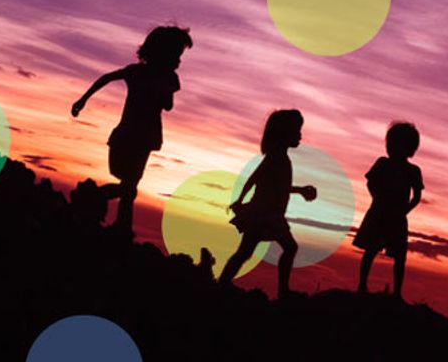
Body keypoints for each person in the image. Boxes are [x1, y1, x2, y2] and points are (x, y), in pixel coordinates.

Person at [71, 25, 193, 234]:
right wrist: (82, 100)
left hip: (138, 137)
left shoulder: (148, 75)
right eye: (176, 55)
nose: (178, 61)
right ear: (162, 53)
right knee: (127, 184)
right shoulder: (149, 75)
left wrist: (83, 100)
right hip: (134, 135)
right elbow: (168, 105)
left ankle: (121, 224)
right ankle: (98, 200)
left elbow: (106, 78)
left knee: (129, 186)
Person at [217, 109, 316, 298]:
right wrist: (300, 191)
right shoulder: (277, 157)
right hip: (266, 213)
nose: (300, 135)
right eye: (296, 130)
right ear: (284, 133)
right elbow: (265, 182)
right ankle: (282, 291)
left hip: (263, 212)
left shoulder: (276, 156)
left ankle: (223, 283)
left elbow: (260, 181)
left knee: (245, 252)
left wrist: (242, 199)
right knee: (289, 247)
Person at [354, 122, 423, 300]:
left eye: (394, 144)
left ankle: (397, 293)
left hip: (397, 217)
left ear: (409, 148)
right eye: (389, 143)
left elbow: (416, 196)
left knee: (400, 256)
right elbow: (370, 182)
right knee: (371, 249)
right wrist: (377, 199)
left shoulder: (413, 171)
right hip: (379, 212)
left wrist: (403, 211)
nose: (390, 147)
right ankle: (362, 285)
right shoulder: (382, 163)